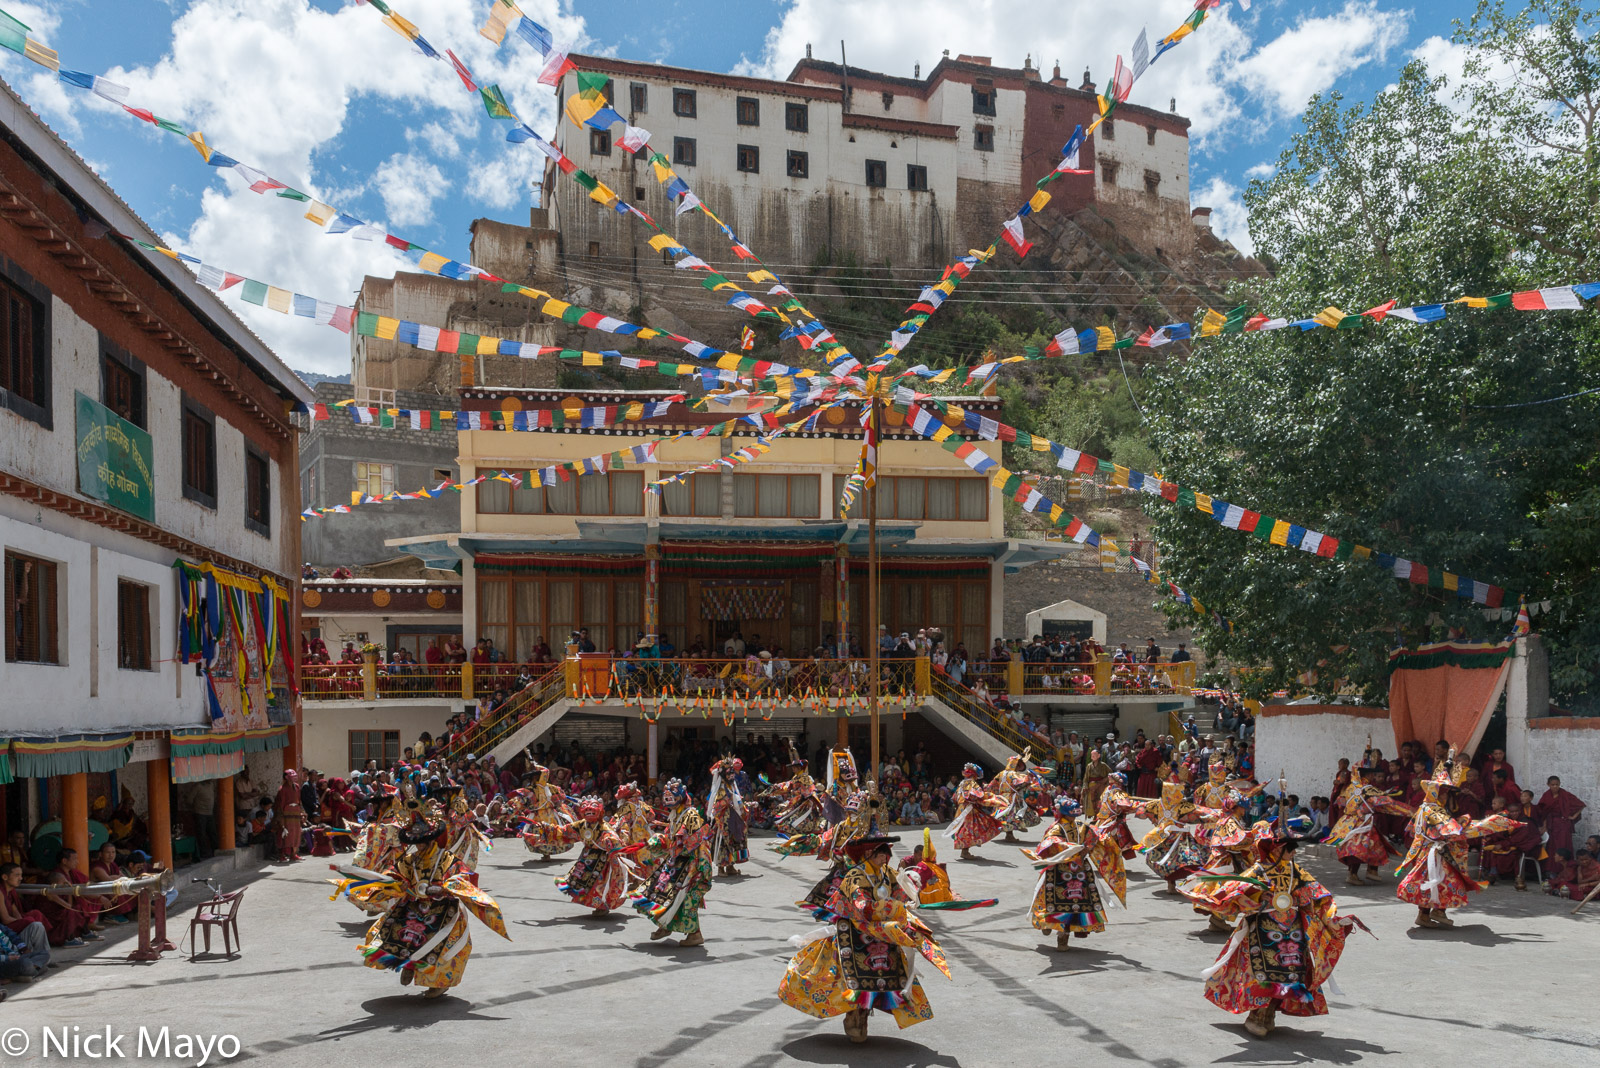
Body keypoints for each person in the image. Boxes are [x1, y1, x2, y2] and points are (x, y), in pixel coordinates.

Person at [1184, 813, 1366, 1039]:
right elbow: (1233, 890)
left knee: (1291, 974)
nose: (1293, 853)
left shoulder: (1295, 872)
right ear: (1276, 850)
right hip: (1262, 929)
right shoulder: (1258, 871)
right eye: (1290, 849)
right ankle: (1256, 1016)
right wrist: (1221, 900)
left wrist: (1333, 918)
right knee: (1263, 973)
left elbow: (1318, 895)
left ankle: (1269, 1014)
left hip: (1293, 933)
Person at [777, 825, 949, 1043]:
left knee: (886, 978)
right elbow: (863, 907)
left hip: (881, 932)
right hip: (854, 931)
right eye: (882, 854)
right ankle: (854, 1018)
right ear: (869, 854)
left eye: (887, 854)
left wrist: (917, 886)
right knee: (846, 979)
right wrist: (893, 908)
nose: (886, 858)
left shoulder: (886, 873)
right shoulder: (855, 877)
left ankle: (862, 1018)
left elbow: (901, 893)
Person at [352, 790, 509, 998]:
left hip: (443, 907)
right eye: (416, 843)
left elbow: (462, 877)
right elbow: (395, 874)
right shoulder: (410, 860)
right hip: (412, 905)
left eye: (422, 842)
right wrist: (393, 884)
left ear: (432, 840)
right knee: (385, 932)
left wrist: (445, 888)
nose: (418, 846)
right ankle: (409, 964)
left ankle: (437, 984)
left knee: (445, 944)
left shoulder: (446, 859)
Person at [1396, 752, 1520, 928]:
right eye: (1444, 793)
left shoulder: (1425, 808)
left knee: (1435, 882)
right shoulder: (1434, 811)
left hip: (1429, 851)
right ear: (1437, 793)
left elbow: (1411, 829)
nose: (1447, 797)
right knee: (1445, 881)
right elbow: (1453, 831)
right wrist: (1474, 823)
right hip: (1437, 853)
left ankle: (1430, 913)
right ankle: (1432, 913)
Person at [1027, 796, 1127, 951]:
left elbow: (1048, 846)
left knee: (1053, 900)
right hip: (1080, 870)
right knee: (1076, 903)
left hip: (1059, 870)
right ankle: (1062, 939)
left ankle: (1048, 924)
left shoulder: (1056, 828)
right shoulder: (1083, 826)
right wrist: (1082, 853)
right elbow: (1094, 840)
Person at [631, 778, 712, 947]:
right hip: (676, 863)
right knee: (658, 892)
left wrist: (695, 864)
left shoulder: (690, 815)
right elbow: (670, 842)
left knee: (687, 899)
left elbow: (695, 841)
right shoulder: (675, 815)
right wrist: (657, 842)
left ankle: (695, 935)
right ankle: (664, 924)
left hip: (692, 864)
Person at [552, 796, 639, 918]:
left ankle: (602, 906)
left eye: (593, 807)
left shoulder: (604, 827)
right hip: (587, 857)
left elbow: (615, 840)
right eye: (585, 807)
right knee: (581, 881)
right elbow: (565, 831)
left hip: (603, 859)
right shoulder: (581, 825)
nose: (588, 809)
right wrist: (545, 829)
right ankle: (597, 905)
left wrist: (609, 842)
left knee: (600, 884)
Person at [1326, 766, 1414, 885]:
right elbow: (1386, 802)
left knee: (1373, 845)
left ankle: (1371, 871)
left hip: (1346, 822)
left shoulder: (1351, 787)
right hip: (1362, 823)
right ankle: (1354, 874)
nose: (1373, 777)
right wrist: (1410, 811)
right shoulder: (1368, 789)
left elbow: (1340, 801)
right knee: (1359, 849)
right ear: (1368, 776)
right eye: (1372, 775)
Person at [1136, 781, 1209, 895]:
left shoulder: (1154, 805)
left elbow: (1139, 811)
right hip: (1175, 838)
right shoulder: (1181, 806)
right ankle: (1178, 884)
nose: (1182, 793)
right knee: (1188, 858)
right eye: (1180, 791)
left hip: (1162, 838)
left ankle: (1174, 884)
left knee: (1169, 862)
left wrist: (1133, 805)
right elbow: (1201, 812)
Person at [766, 744, 825, 858]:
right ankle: (799, 841)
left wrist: (801, 795)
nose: (793, 769)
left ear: (799, 768)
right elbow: (789, 785)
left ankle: (805, 841)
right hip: (797, 802)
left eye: (795, 767)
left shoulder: (804, 777)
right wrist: (777, 788)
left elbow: (807, 789)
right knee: (787, 820)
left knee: (798, 822)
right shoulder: (796, 777)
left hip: (805, 804)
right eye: (793, 767)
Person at [945, 764, 1006, 860]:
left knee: (964, 828)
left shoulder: (961, 784)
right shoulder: (973, 784)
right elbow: (978, 795)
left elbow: (954, 797)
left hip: (961, 809)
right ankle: (965, 851)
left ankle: (965, 850)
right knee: (970, 828)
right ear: (974, 775)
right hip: (969, 809)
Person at [706, 756, 749, 877]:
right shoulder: (720, 787)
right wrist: (730, 800)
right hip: (723, 820)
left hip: (733, 818)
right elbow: (718, 803)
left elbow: (737, 800)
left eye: (732, 772)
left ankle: (730, 866)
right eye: (729, 773)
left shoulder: (731, 786)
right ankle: (721, 868)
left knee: (734, 841)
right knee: (723, 843)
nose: (732, 775)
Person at [1537, 776, 1586, 857]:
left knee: (1563, 844)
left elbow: (1581, 805)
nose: (1555, 786)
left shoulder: (1565, 794)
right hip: (1551, 824)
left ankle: (1566, 866)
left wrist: (1573, 817)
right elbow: (1543, 812)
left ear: (1559, 784)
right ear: (1548, 784)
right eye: (1552, 785)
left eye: (1557, 784)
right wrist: (1544, 826)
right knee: (1552, 845)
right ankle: (1552, 867)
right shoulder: (1546, 795)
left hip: (1563, 824)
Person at [276, 769, 307, 862]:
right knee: (285, 834)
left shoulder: (297, 787)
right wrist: (281, 817)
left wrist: (302, 812)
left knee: (296, 834)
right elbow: (280, 804)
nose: (294, 778)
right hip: (286, 815)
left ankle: (294, 854)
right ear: (286, 777)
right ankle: (282, 855)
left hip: (295, 815)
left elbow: (299, 801)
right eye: (292, 776)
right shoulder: (282, 789)